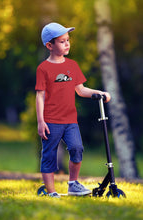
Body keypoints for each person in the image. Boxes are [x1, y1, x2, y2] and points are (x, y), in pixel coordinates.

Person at [35, 22, 111, 198]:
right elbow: (40, 96)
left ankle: (73, 184)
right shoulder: (43, 69)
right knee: (49, 156)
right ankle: (52, 192)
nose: (67, 44)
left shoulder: (73, 65)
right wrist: (40, 121)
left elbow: (81, 89)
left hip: (70, 120)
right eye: (62, 41)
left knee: (77, 148)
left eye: (68, 40)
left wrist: (100, 93)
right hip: (50, 121)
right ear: (49, 45)